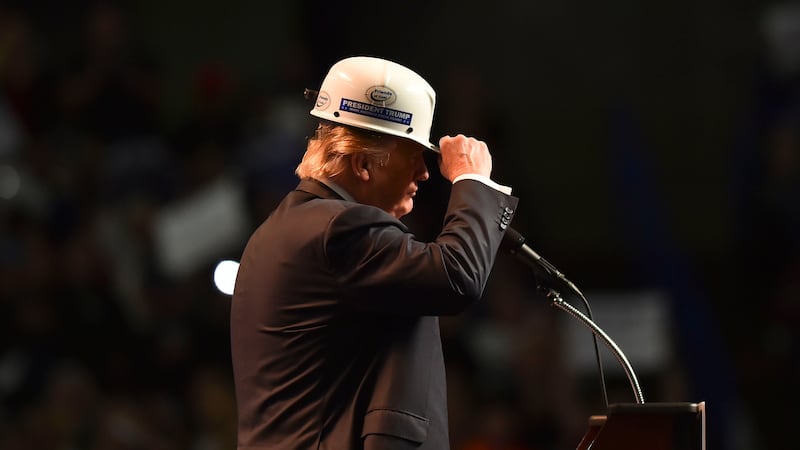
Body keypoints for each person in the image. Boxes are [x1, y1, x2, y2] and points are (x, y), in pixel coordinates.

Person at [230, 56, 519, 450]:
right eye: (413, 156)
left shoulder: (284, 228)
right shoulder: (340, 227)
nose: (424, 173)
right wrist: (473, 180)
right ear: (364, 163)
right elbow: (456, 277)